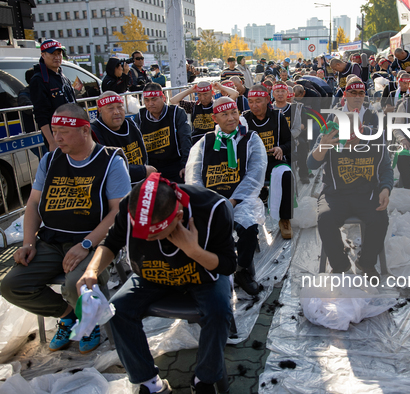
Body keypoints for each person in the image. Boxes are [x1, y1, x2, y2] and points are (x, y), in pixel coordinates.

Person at [77, 173, 236, 394]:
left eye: (157, 235)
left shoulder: (212, 208)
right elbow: (111, 242)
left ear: (179, 216)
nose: (148, 240)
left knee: (219, 310)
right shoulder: (129, 205)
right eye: (143, 235)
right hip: (153, 275)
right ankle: (150, 383)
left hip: (203, 275)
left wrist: (194, 251)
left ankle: (204, 379)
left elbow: (228, 265)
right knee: (118, 310)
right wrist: (91, 270)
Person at [1, 103, 130, 354]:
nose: (56, 137)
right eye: (54, 130)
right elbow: (34, 203)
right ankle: (69, 314)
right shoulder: (50, 160)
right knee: (11, 285)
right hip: (51, 240)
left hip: (95, 242)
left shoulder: (111, 160)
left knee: (76, 284)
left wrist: (86, 244)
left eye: (63, 131)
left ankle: (90, 322)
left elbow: (118, 212)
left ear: (84, 131)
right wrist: (28, 243)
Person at [307, 79, 394, 276]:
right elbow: (311, 165)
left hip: (366, 193)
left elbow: (386, 168)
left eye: (354, 139)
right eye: (345, 140)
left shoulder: (374, 136)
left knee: (380, 219)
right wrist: (324, 145)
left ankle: (366, 262)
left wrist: (385, 189)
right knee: (325, 219)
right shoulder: (330, 135)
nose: (349, 144)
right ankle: (340, 264)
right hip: (335, 193)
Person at [185, 96, 267, 296]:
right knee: (195, 228)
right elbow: (194, 176)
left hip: (240, 200)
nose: (231, 118)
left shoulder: (251, 139)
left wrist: (232, 201)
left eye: (234, 113)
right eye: (225, 114)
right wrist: (209, 203)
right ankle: (208, 272)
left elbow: (255, 175)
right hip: (210, 203)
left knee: (248, 226)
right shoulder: (205, 143)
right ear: (214, 118)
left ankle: (242, 270)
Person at [242, 85, 294, 239]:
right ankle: (248, 222)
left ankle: (285, 218)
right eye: (250, 101)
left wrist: (281, 148)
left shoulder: (278, 116)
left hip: (274, 160)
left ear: (266, 100)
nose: (254, 105)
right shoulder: (244, 119)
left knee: (286, 175)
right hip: (253, 164)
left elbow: (291, 142)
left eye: (258, 101)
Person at [92, 91, 156, 185]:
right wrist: (142, 171)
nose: (116, 112)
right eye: (110, 108)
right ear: (100, 110)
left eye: (120, 107)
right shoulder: (93, 132)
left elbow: (144, 155)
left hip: (141, 183)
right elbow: (107, 167)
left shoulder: (131, 123)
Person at [135, 83, 192, 183]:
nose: (150, 103)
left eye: (154, 99)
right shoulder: (140, 116)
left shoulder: (176, 113)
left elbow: (185, 139)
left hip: (175, 164)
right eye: (146, 100)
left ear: (163, 98)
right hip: (151, 167)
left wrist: (185, 165)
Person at [29, 39, 77, 152]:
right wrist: (52, 142)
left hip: (73, 132)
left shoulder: (62, 75)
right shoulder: (39, 79)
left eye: (59, 54)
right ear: (43, 55)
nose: (57, 57)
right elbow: (41, 114)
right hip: (58, 138)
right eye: (52, 54)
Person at [170, 81, 238, 145]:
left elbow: (235, 94)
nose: (202, 98)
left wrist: (220, 87)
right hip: (197, 141)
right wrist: (190, 90)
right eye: (199, 95)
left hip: (214, 140)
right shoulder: (193, 106)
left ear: (212, 93)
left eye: (205, 94)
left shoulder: (217, 105)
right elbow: (173, 101)